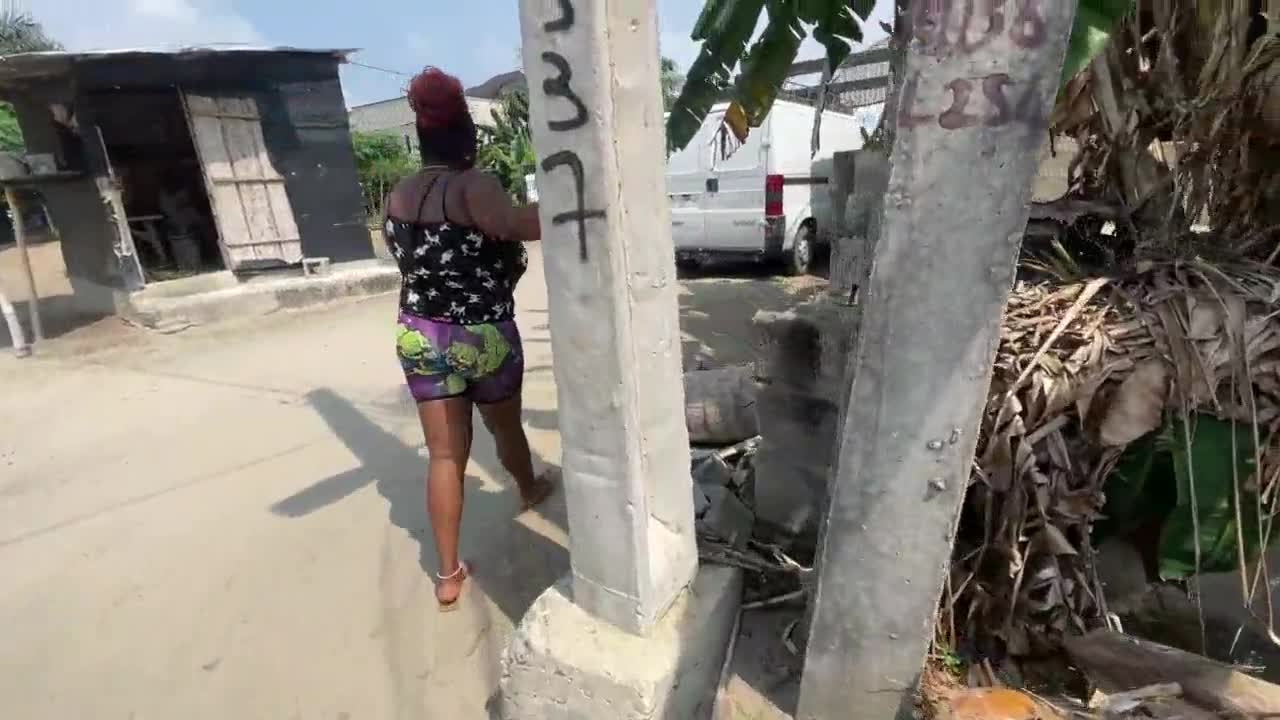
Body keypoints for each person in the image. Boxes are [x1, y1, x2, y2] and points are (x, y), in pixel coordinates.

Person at [384, 67, 553, 612]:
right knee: (504, 428)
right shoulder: (473, 186)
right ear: (467, 136)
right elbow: (517, 225)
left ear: (423, 138)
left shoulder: (398, 194)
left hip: (418, 334)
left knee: (444, 455)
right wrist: (578, 198)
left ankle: (447, 575)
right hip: (482, 335)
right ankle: (529, 488)